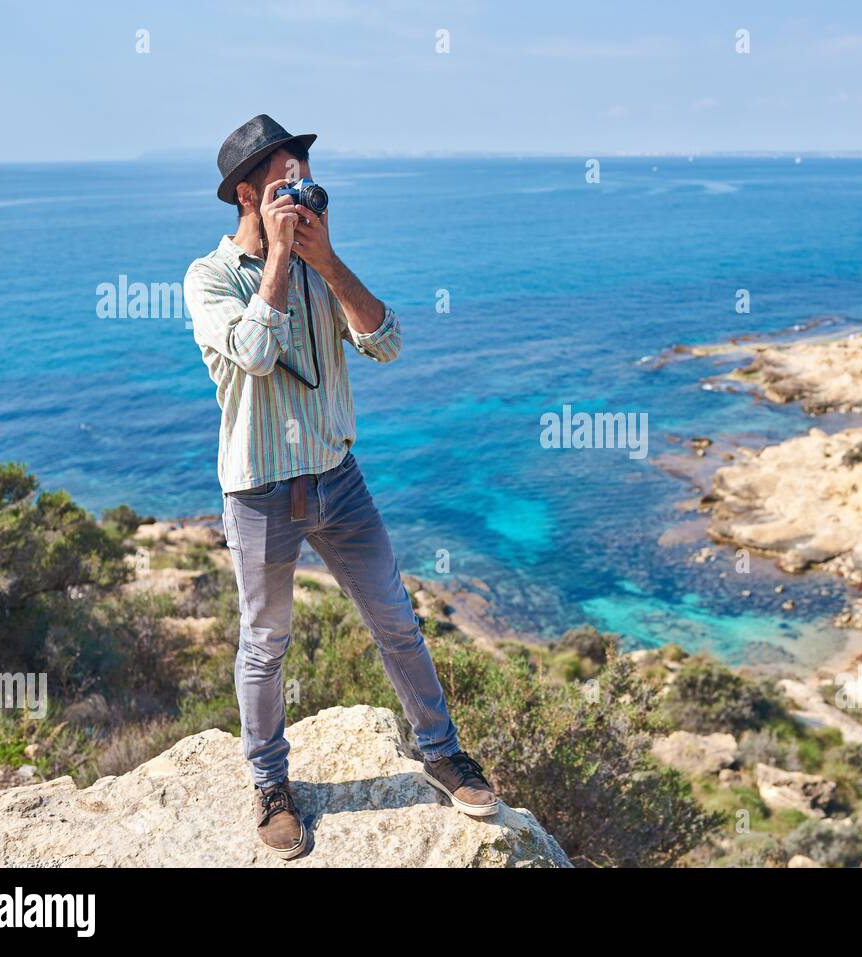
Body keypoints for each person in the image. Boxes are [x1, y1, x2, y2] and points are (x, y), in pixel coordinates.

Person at [183, 115, 496, 860]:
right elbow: (256, 352)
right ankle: (270, 786)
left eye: (303, 173)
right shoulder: (206, 278)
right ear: (247, 194)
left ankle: (442, 750)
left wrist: (328, 260)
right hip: (258, 488)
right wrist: (284, 259)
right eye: (283, 177)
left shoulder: (318, 266)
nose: (301, 186)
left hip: (336, 476)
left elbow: (387, 342)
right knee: (266, 642)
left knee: (396, 617)